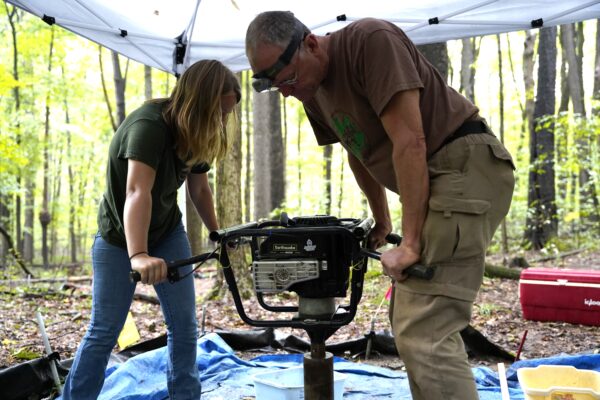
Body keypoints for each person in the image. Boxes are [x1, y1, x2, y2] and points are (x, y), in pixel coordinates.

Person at [245, 11, 515, 400]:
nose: (285, 91)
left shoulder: (370, 41)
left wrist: (412, 243)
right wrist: (383, 219)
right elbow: (358, 149)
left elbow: (410, 140)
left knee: (428, 329)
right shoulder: (313, 90)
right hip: (437, 179)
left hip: (461, 168)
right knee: (409, 325)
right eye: (273, 85)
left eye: (286, 78)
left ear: (310, 43)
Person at [61, 60, 241, 399]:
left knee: (185, 327)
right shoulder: (149, 126)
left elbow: (199, 189)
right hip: (119, 239)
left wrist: (217, 233)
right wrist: (139, 254)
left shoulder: (196, 132)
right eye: (217, 112)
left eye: (225, 114)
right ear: (197, 102)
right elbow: (136, 191)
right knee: (104, 330)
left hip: (169, 233)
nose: (219, 121)